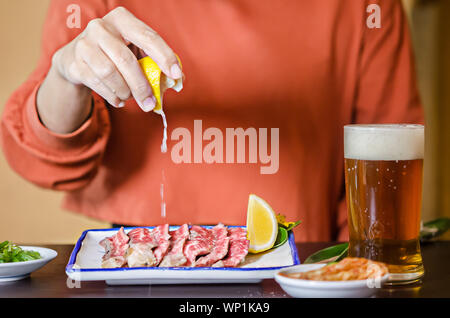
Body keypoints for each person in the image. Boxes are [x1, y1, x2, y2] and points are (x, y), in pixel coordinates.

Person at [0, 0, 423, 242]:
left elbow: (386, 171)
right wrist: (65, 77)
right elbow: (42, 156)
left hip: (299, 265)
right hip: (142, 261)